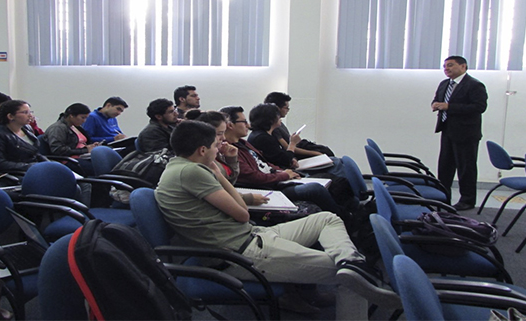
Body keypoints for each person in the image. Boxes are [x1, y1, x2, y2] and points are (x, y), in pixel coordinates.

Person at [155, 120, 400, 318]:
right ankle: (354, 269)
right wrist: (218, 174)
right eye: (215, 145)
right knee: (353, 280)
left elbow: (235, 208)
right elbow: (242, 213)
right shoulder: (193, 171)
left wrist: (220, 172)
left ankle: (350, 260)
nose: (219, 148)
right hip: (241, 254)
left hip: (251, 238)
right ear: (202, 150)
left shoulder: (178, 167)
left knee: (326, 219)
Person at [220, 106, 351, 220]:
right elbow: (254, 176)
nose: (248, 125)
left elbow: (266, 164)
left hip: (278, 178)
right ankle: (345, 218)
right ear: (230, 125)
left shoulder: (243, 143)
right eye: (243, 122)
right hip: (270, 187)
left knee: (334, 180)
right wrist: (285, 174)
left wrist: (285, 172)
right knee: (316, 188)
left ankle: (350, 210)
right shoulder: (232, 150)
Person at [431, 56, 488, 211]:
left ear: (463, 66)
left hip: (466, 133)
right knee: (445, 166)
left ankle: (467, 200)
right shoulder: (444, 84)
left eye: (450, 65)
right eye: (444, 66)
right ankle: (443, 197)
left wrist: (449, 107)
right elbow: (437, 100)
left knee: (466, 168)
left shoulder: (474, 85)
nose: (446, 69)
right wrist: (435, 105)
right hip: (447, 130)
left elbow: (479, 107)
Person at [264, 92, 335, 159]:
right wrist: (315, 153)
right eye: (286, 108)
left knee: (326, 151)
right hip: (294, 152)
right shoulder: (274, 127)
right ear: (277, 108)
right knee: (327, 154)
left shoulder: (279, 123)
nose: (288, 110)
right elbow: (286, 147)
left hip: (296, 147)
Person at [0, 100, 48, 173]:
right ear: (10, 116)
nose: (30, 115)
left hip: (33, 168)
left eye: (30, 112)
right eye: (25, 112)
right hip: (17, 172)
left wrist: (48, 164)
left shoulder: (27, 128)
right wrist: (32, 166)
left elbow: (35, 153)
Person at [44, 103, 102, 176]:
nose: (84, 121)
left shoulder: (75, 126)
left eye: (86, 118)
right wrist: (85, 150)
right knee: (99, 168)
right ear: (71, 116)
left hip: (81, 156)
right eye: (82, 117)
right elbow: (58, 150)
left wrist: (89, 147)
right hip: (68, 161)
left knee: (104, 162)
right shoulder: (58, 128)